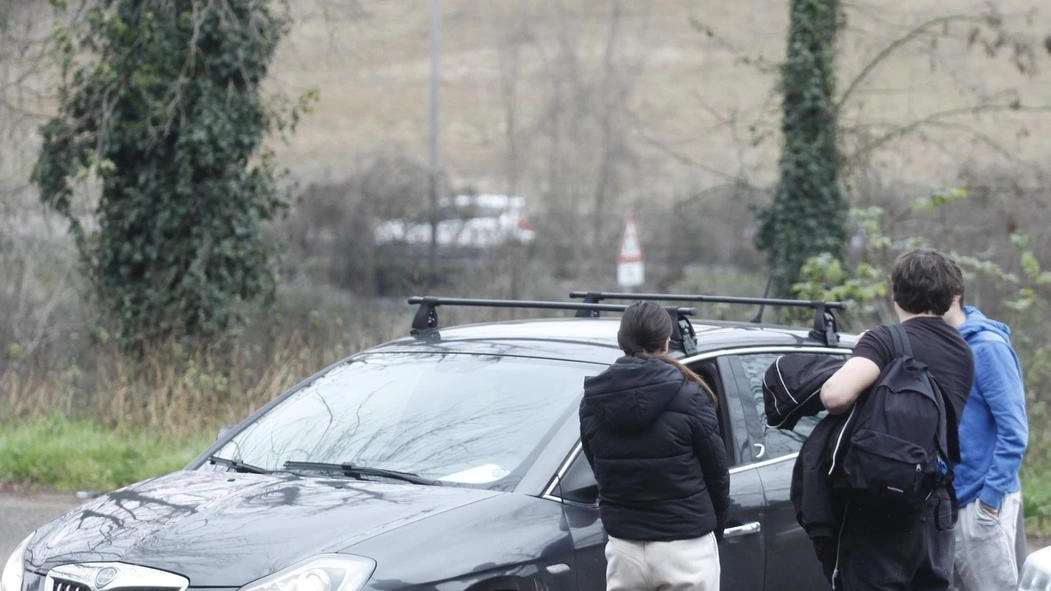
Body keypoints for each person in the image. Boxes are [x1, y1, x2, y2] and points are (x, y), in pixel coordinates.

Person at [820, 248, 975, 591]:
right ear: (951, 297)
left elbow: (835, 395)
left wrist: (864, 352)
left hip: (881, 509)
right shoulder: (963, 350)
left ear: (894, 294)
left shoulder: (884, 339)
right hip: (936, 506)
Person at [579, 301, 730, 591]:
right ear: (666, 342)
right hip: (685, 546)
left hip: (624, 549)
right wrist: (714, 527)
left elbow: (597, 466)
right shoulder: (691, 396)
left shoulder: (593, 401)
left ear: (622, 341)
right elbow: (717, 475)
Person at [944, 294, 1029, 591]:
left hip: (981, 503)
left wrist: (989, 502)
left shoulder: (988, 347)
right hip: (946, 504)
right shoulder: (939, 347)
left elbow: (1014, 431)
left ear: (952, 297)